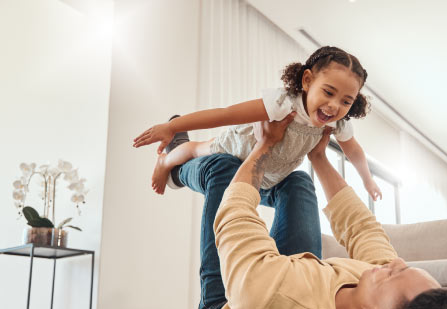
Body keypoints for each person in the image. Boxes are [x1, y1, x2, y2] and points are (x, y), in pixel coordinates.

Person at [189, 115, 447, 309]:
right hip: (290, 276)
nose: (395, 262)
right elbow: (362, 228)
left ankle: (175, 167)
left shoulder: (267, 301)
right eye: (404, 267)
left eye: (393, 274)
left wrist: (265, 144)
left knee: (224, 169)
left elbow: (234, 215)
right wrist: (319, 156)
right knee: (298, 182)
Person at [132, 46, 382, 201]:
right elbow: (226, 114)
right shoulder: (284, 103)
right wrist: (172, 128)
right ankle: (166, 160)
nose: (335, 106)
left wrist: (367, 180)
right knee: (198, 149)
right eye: (328, 93)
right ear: (307, 81)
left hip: (267, 172)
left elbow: (354, 152)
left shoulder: (336, 124)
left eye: (346, 101)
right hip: (238, 148)